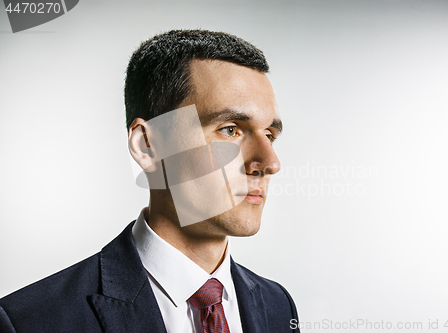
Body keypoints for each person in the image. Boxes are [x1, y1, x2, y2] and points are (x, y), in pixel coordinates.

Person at [0, 29, 300, 333]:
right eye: (230, 129)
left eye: (270, 135)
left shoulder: (279, 306)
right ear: (147, 145)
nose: (270, 163)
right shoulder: (30, 321)